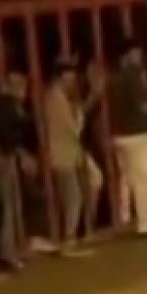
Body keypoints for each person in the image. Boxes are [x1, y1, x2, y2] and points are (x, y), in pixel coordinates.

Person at [44, 60, 102, 256]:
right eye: (69, 77)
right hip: (63, 154)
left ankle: (81, 230)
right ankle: (70, 239)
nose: (73, 81)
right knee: (73, 196)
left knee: (91, 183)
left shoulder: (60, 96)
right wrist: (88, 101)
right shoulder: (56, 99)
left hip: (71, 152)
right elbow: (74, 128)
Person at [107, 46, 147, 236]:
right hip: (137, 134)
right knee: (144, 179)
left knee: (126, 178)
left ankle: (125, 216)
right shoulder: (136, 77)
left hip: (119, 136)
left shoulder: (112, 80)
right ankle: (146, 222)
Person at [0, 71, 35, 270]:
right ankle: (7, 251)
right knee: (8, 204)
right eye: (19, 85)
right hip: (5, 157)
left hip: (9, 156)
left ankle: (15, 246)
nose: (23, 90)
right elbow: (6, 133)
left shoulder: (11, 105)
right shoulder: (4, 105)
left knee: (13, 203)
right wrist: (20, 152)